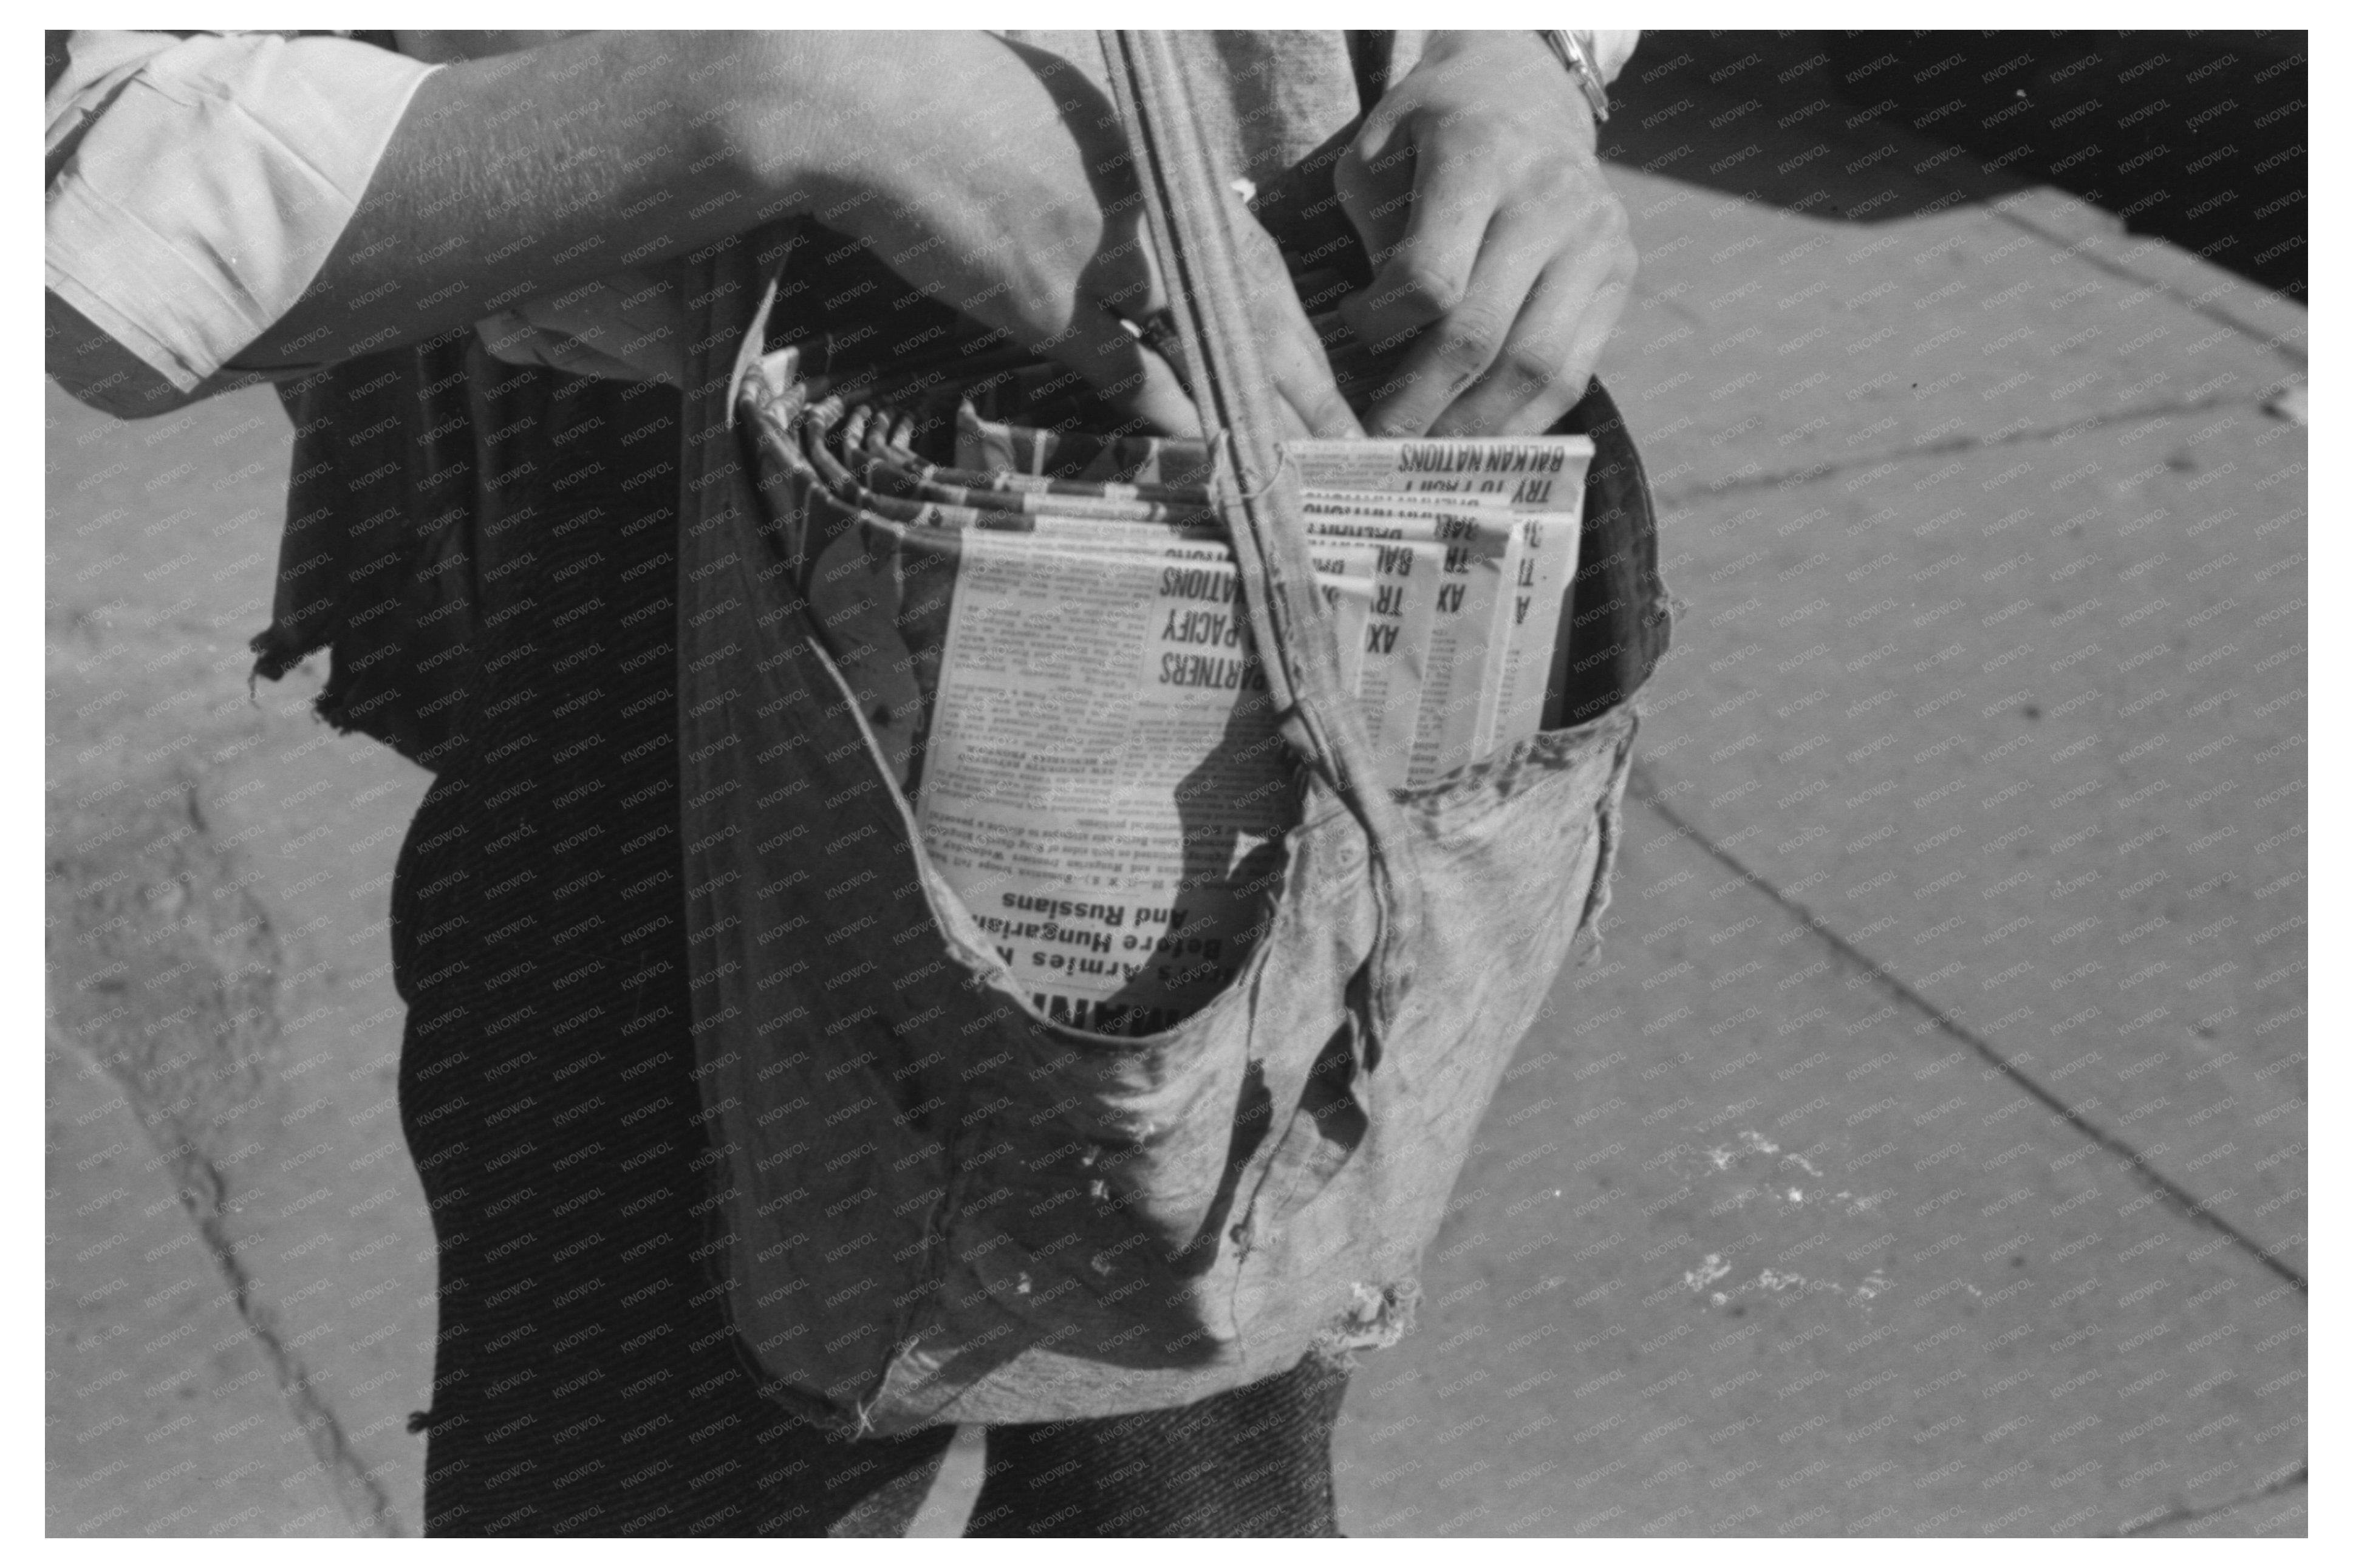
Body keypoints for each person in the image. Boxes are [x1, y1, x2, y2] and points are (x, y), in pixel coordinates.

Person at [47, 28, 1639, 1536]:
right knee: (657, 1468)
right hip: (676, 655)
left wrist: (1508, 68)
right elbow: (95, 156)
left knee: (1192, 1460)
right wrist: (807, 95)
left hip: (1276, 550)